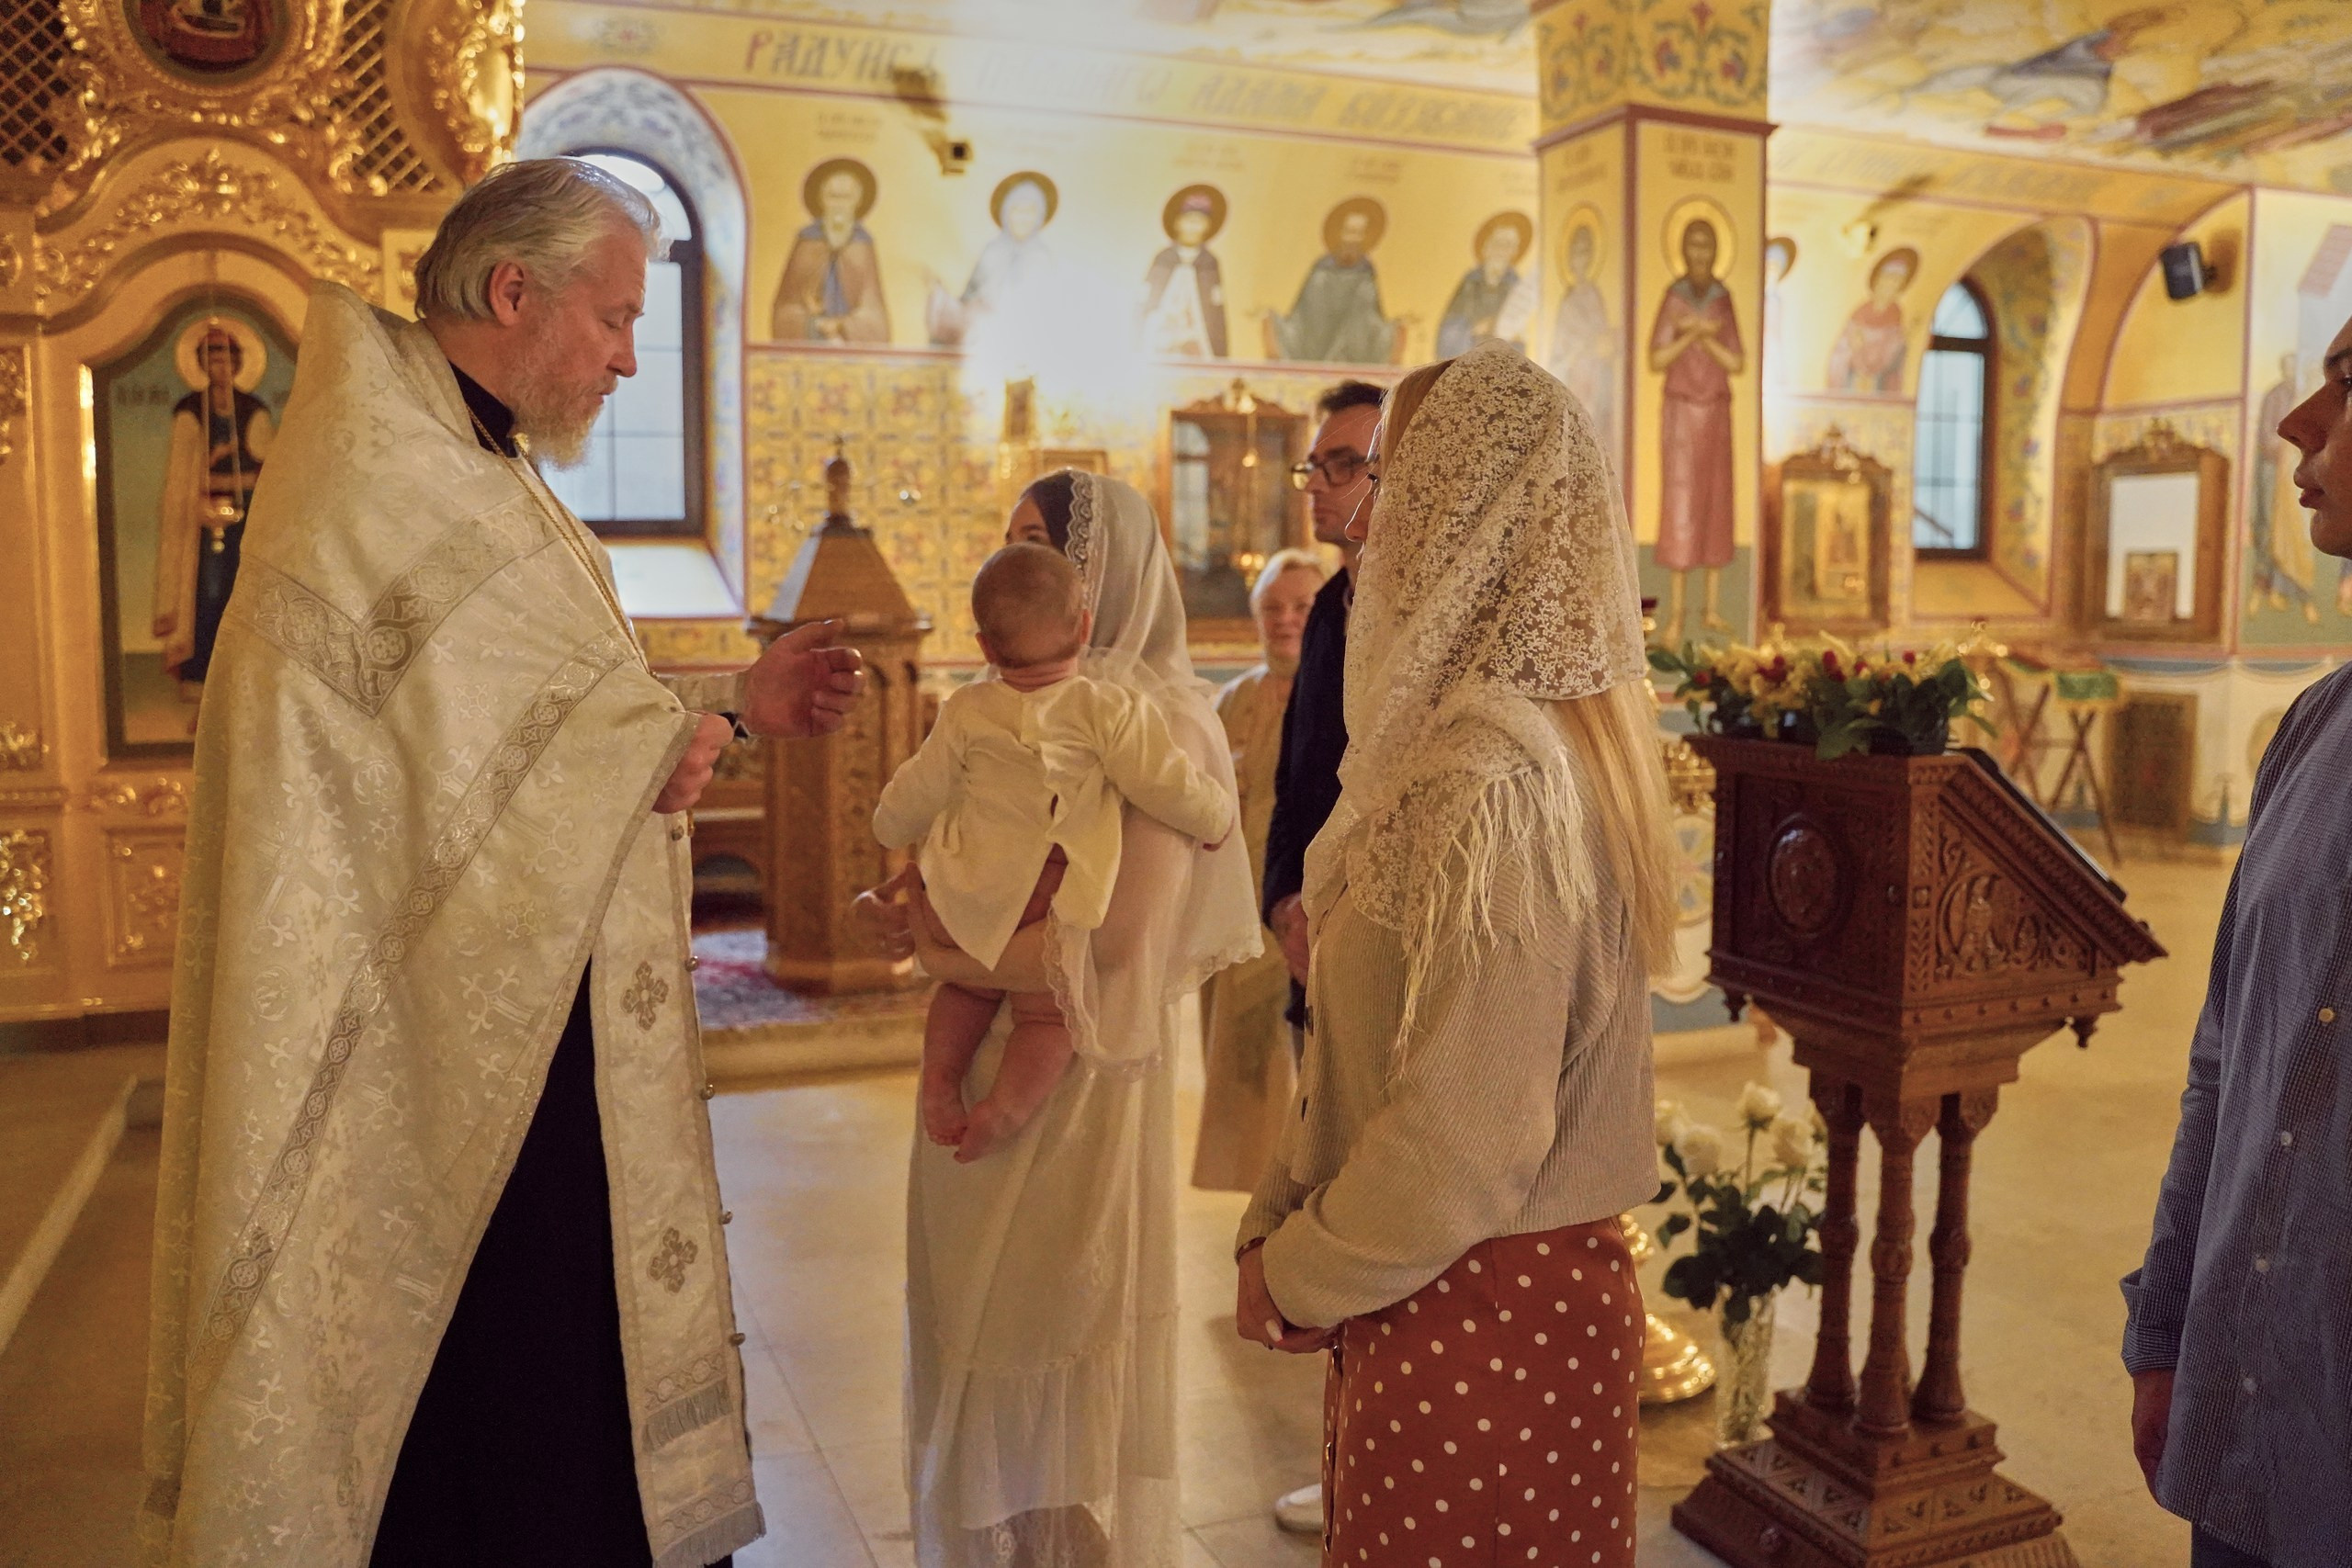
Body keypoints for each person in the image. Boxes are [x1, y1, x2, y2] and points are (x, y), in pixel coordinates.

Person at [140, 157, 866, 1568]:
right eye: (611, 317)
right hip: (436, 1045)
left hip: (522, 1018)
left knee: (540, 1364)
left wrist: (719, 707)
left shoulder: (472, 460)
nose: (626, 355)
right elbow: (489, 740)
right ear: (512, 290)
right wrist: (667, 732)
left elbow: (536, 709)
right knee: (492, 1388)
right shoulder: (388, 471)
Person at [1234, 340, 1675, 1568]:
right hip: (1430, 1289)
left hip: (1484, 1311)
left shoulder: (1495, 775)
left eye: (1395, 473)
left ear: (1466, 503)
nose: (1370, 513)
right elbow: (1372, 1048)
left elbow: (1468, 1136)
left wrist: (1298, 1272)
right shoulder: (1456, 745)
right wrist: (1285, 1218)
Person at [864, 469, 1261, 1567]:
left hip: (1076, 1071)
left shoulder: (1157, 720)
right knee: (970, 1314)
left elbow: (1115, 944)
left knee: (1045, 1318)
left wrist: (939, 945)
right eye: (1008, 545)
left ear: (1103, 578)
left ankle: (1056, 1544)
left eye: (1040, 546)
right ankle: (1002, 1536)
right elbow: (931, 831)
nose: (1015, 573)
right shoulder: (1009, 708)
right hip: (986, 1035)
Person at [2122, 310, 2352, 1568]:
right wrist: (2170, 1329)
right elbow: (2225, 1067)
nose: (2296, 424)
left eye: (2346, 383)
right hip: (2254, 1411)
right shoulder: (2312, 729)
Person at [877, 543, 1234, 1164]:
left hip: (964, 893)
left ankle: (940, 1080)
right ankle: (1007, 1107)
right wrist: (1216, 816)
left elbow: (917, 790)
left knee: (963, 990)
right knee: (1048, 1017)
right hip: (1048, 894)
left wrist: (888, 826)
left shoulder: (965, 709)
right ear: (1084, 628)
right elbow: (1163, 782)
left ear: (986, 649)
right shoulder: (1108, 708)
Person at [1254, 380, 1382, 1534]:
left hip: (1376, 934)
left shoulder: (1412, 604)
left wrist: (1331, 902)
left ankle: (1373, 1460)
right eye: (1318, 466)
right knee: (1328, 1165)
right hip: (1316, 924)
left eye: (1343, 463)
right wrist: (1283, 897)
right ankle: (1349, 1457)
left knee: (1368, 1194)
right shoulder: (1343, 596)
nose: (1323, 485)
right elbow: (1308, 768)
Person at [1192, 547, 1326, 1193]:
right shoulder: (1230, 701)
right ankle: (1264, 1205)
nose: (1286, 620)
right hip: (1233, 915)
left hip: (1310, 910)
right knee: (1246, 1074)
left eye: (1301, 606)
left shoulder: (1340, 694)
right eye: (1273, 607)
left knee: (1310, 1072)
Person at [153, 321, 273, 696]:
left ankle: (243, 674)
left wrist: (238, 479)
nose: (220, 367)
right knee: (206, 592)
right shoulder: (189, 409)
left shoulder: (253, 410)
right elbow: (182, 471)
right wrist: (203, 482)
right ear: (202, 364)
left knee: (241, 589)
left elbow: (267, 468)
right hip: (199, 521)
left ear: (237, 364)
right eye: (211, 359)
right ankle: (200, 673)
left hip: (246, 517)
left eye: (226, 359)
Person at [1649, 216, 1744, 640]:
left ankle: (1710, 609)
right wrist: (1690, 336)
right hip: (1682, 412)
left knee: (1716, 502)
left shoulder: (1723, 300)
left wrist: (1706, 336)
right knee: (1681, 502)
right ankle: (1675, 614)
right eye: (1694, 245)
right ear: (1685, 251)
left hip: (1717, 412)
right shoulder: (1674, 298)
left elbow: (1736, 362)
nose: (1701, 254)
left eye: (1708, 246)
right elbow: (1657, 358)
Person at [771, 157, 890, 344]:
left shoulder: (862, 244)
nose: (839, 205)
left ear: (858, 202)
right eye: (833, 197)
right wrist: (813, 324)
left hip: (848, 344)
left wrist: (843, 325)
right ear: (821, 200)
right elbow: (785, 309)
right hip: (811, 340)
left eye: (846, 197)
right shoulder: (807, 241)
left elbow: (873, 311)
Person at [1267, 199, 1399, 365]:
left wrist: (1393, 330)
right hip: (1317, 349)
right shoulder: (1321, 271)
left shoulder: (1367, 272)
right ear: (1339, 232)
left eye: (1360, 232)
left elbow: (1370, 320)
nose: (1353, 239)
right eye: (1349, 231)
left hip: (1356, 354)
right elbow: (1305, 319)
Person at [1141, 186, 1228, 357]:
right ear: (1177, 223)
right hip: (1163, 333)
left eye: (1200, 222)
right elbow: (1147, 297)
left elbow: (1215, 307)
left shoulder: (1208, 262)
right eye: (1188, 221)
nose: (1193, 227)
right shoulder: (1164, 258)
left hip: (1196, 334)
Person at [1434, 211, 1533, 357]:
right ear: (1485, 247)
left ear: (1515, 251)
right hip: (1470, 360)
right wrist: (1473, 330)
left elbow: (1525, 334)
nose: (1502, 250)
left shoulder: (1516, 286)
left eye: (1509, 245)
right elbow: (1447, 333)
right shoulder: (1471, 282)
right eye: (1498, 242)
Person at [1826, 247, 1917, 394]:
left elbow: (1895, 352)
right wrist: (1854, 347)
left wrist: (1902, 341)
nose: (1891, 285)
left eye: (1898, 282)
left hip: (1882, 383)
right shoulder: (1860, 313)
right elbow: (1840, 352)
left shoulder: (1896, 314)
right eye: (1889, 279)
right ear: (1878, 280)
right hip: (1853, 380)